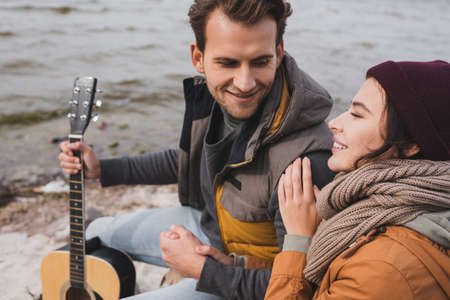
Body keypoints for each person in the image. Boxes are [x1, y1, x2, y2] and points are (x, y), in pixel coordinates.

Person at [58, 0, 336, 299]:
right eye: (228, 63)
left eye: (259, 62)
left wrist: (201, 270)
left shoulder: (306, 163)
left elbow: (300, 285)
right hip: (212, 233)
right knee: (93, 234)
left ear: (278, 53)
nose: (244, 83)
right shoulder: (215, 101)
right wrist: (103, 169)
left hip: (242, 282)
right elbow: (186, 159)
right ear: (198, 57)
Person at [264, 60, 450, 299]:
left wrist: (299, 239)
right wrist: (234, 263)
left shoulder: (385, 269)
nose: (334, 123)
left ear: (413, 144)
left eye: (357, 114)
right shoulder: (389, 211)